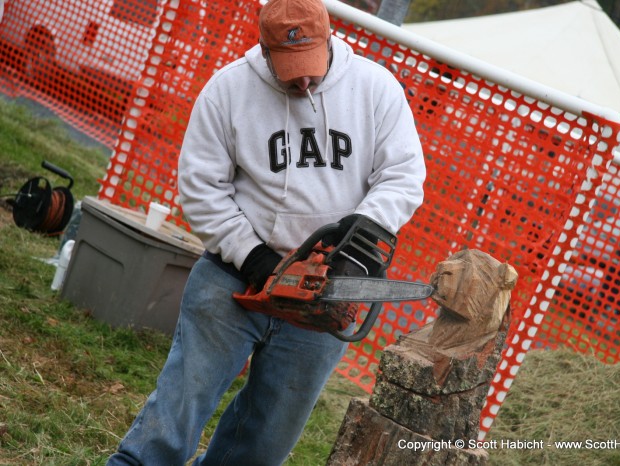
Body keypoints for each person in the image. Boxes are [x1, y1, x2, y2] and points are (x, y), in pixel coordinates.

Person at [106, 0, 425, 463]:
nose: (303, 80)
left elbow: (403, 174)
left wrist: (364, 232)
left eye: (311, 66)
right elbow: (200, 188)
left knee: (266, 440)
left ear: (330, 39)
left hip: (324, 291)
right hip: (233, 276)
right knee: (178, 409)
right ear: (264, 48)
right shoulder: (229, 90)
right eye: (290, 68)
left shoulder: (375, 89)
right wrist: (253, 257)